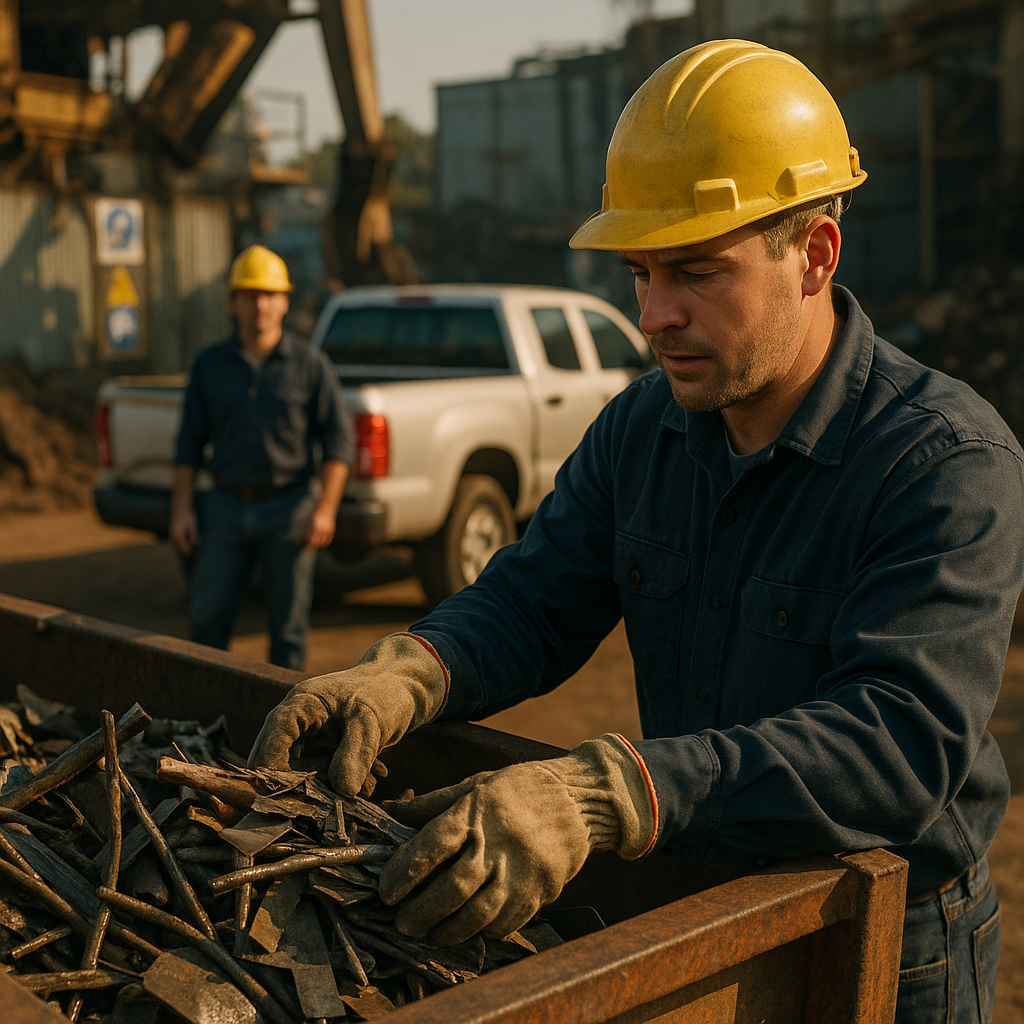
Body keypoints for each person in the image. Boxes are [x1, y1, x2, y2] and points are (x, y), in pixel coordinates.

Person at [247, 41, 1024, 1022]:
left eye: (697, 272)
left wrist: (606, 792)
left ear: (815, 254)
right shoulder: (643, 426)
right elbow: (536, 594)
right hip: (703, 906)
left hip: (883, 946)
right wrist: (416, 667)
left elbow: (898, 746)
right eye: (639, 273)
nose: (655, 316)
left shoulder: (941, 462)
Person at [170, 245, 353, 670]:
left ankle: (286, 731)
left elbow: (339, 444)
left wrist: (325, 509)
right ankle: (205, 728)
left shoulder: (310, 365)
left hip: (289, 510)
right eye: (250, 295)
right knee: (207, 623)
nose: (260, 305)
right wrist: (182, 509)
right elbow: (189, 443)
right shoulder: (209, 365)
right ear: (233, 301)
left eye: (270, 295)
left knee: (288, 632)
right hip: (224, 508)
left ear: (285, 302)